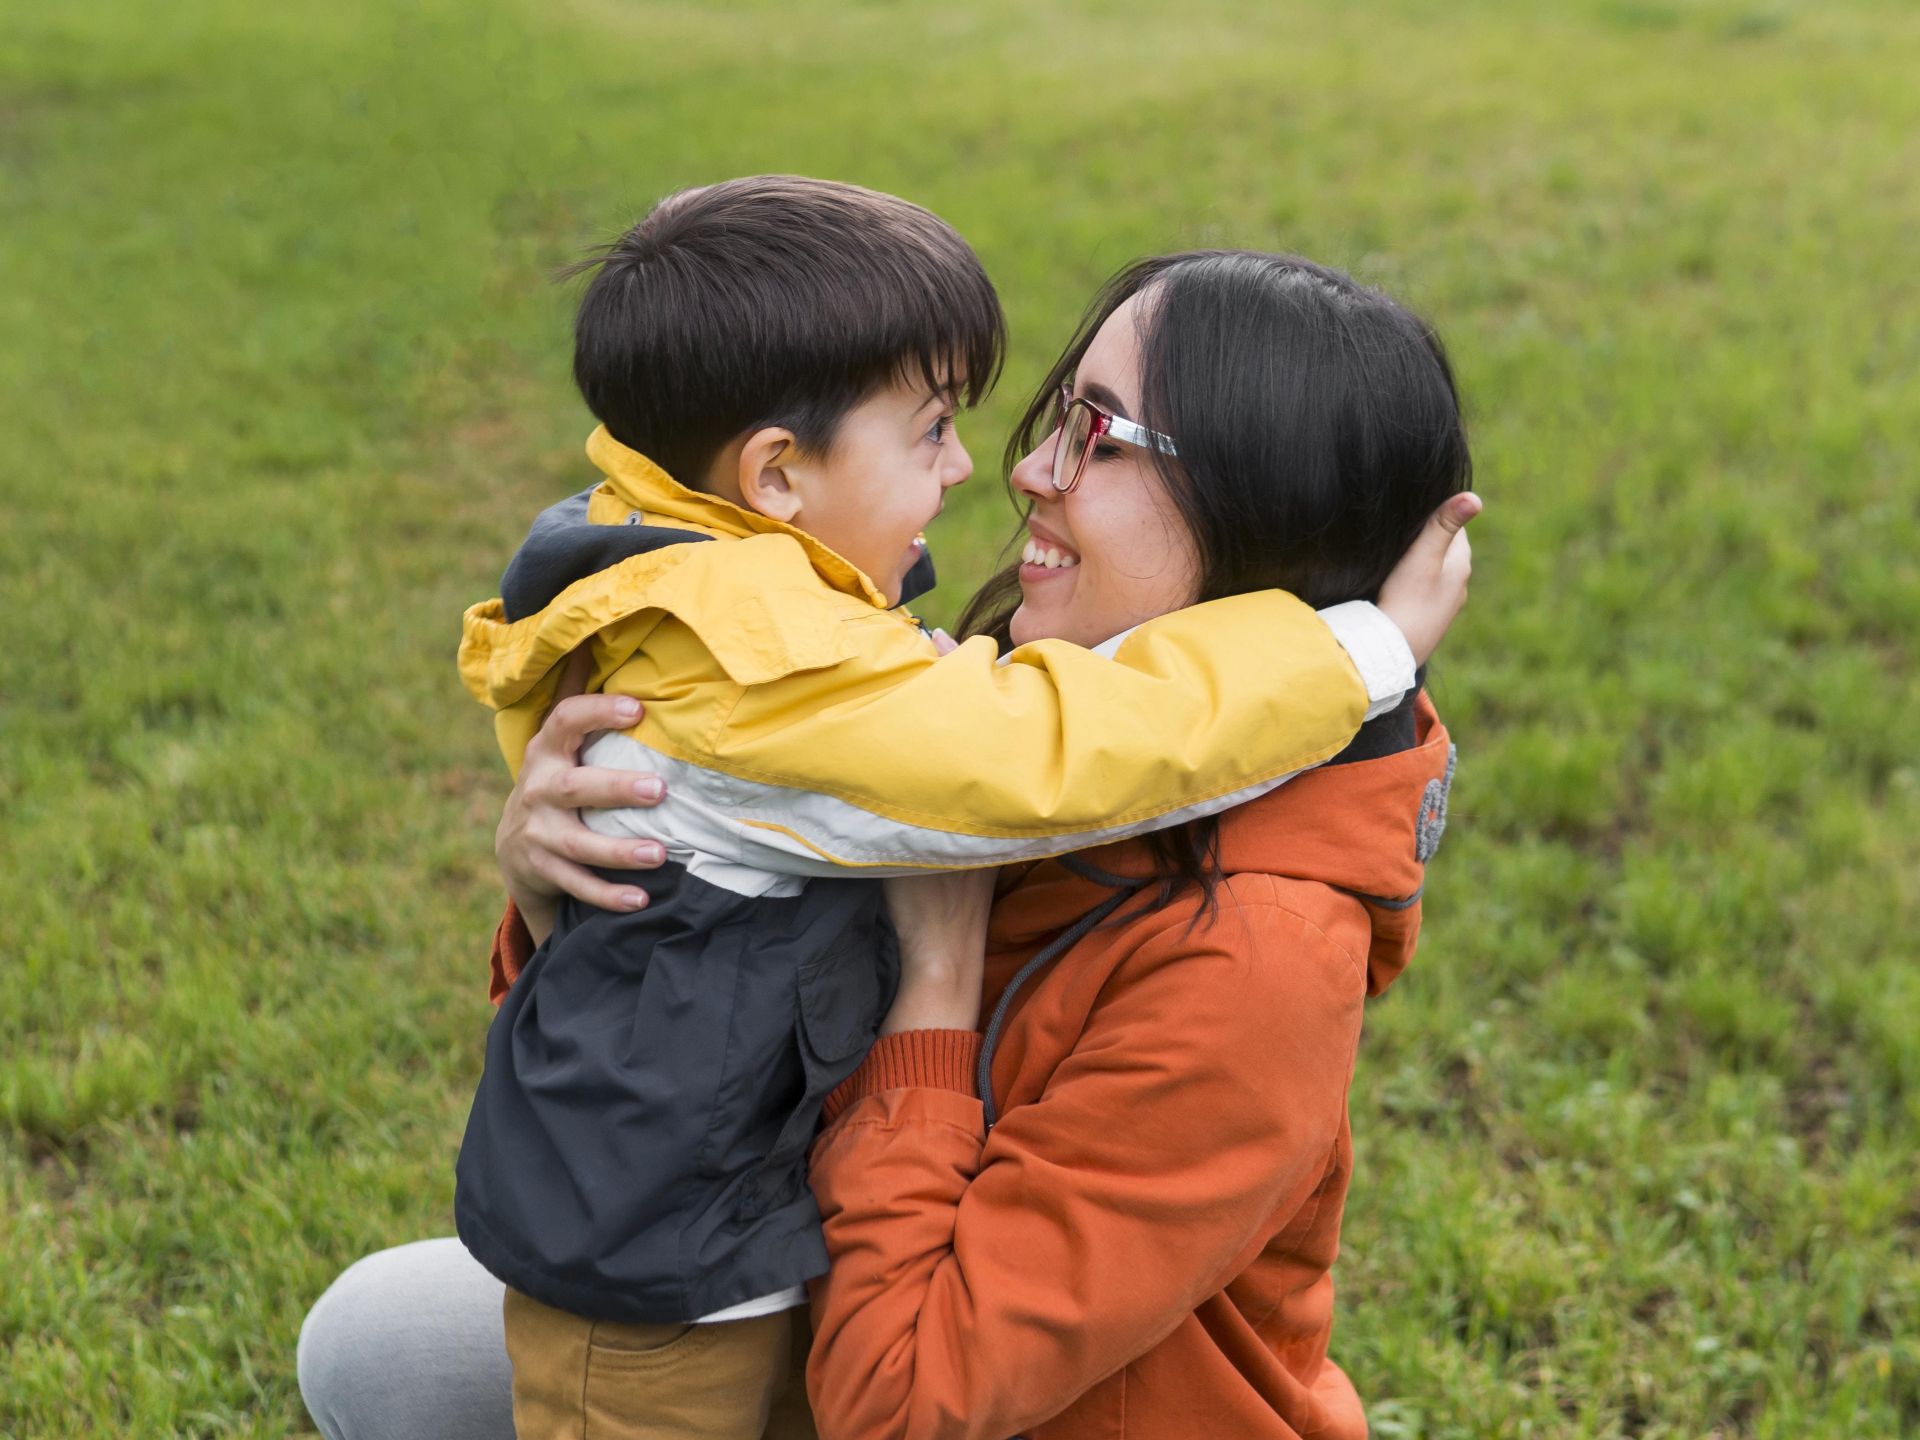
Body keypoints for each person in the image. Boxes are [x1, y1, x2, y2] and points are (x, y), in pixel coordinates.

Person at [299, 244, 1477, 1440]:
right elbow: (686, 1067)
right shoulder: (991, 721)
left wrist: (930, 997)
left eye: (1102, 436)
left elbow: (904, 1406)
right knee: (383, 1340)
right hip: (818, 1291)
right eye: (1057, 414)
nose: (1023, 469)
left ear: (1264, 510)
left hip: (946, 1399)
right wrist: (579, 886)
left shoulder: (1260, 957)